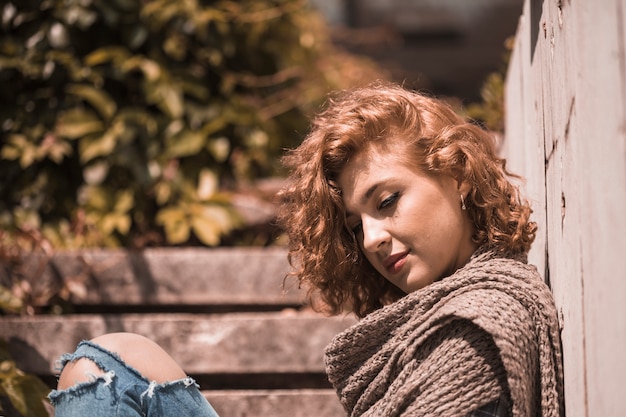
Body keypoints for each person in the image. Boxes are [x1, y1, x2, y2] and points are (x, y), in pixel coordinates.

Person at [50, 82, 565, 417]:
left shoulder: (473, 328)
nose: (371, 238)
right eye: (355, 224)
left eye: (386, 201)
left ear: (455, 173)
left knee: (100, 371)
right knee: (113, 358)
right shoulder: (461, 306)